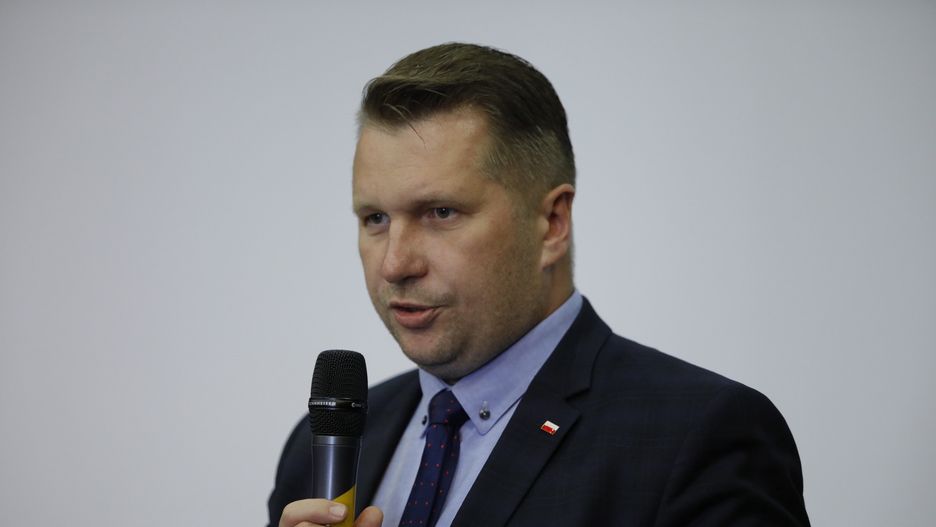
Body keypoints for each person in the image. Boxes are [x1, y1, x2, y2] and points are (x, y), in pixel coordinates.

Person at [269, 43, 810, 527]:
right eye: (375, 219)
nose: (394, 264)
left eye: (440, 212)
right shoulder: (316, 449)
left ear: (551, 223)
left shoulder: (701, 436)